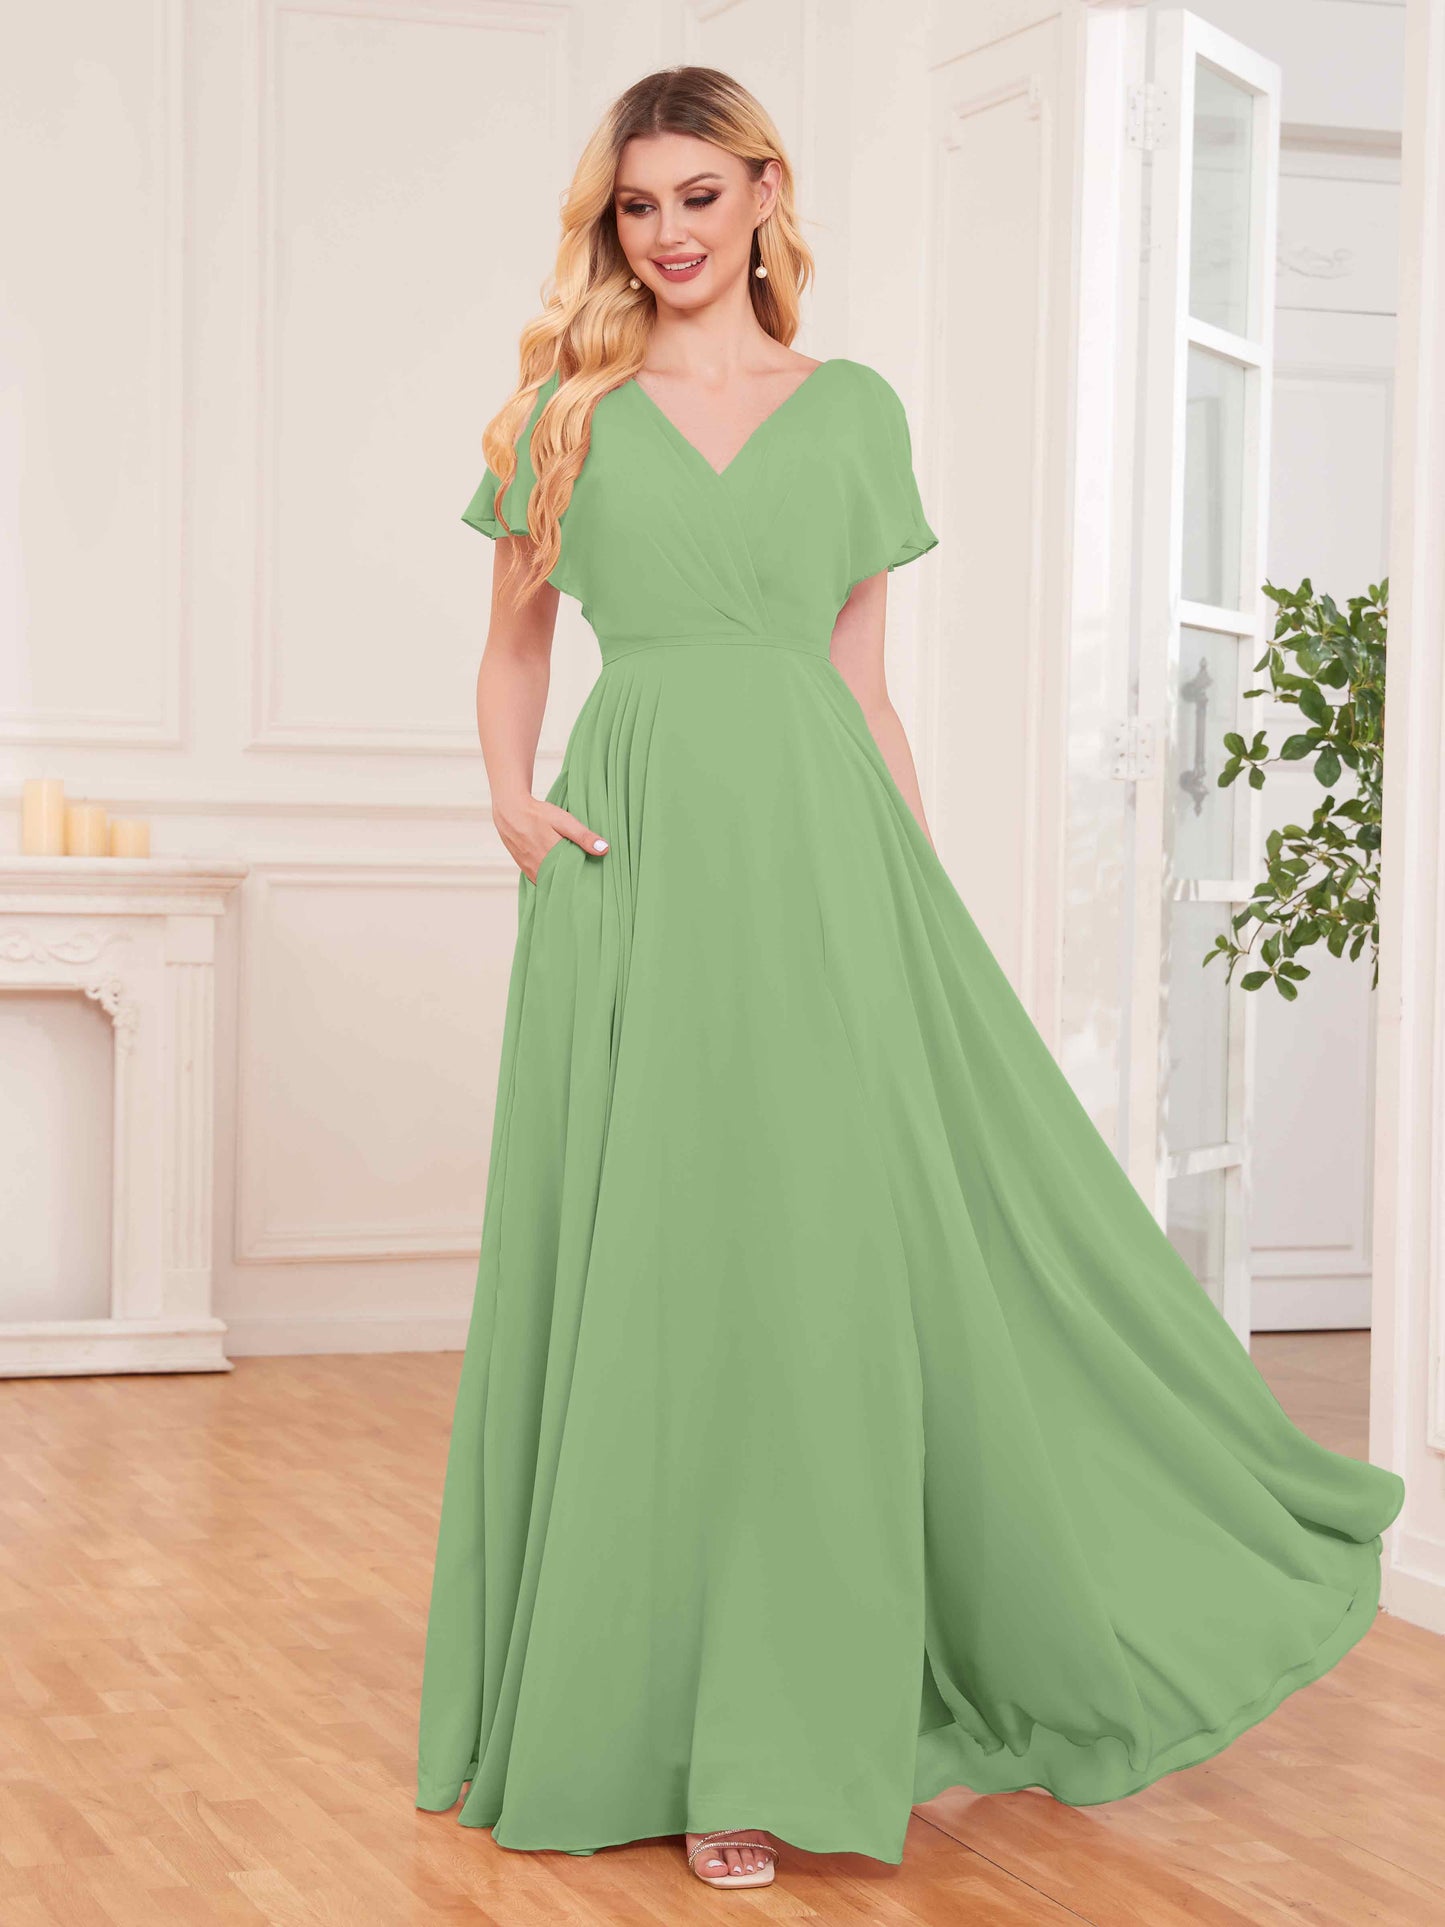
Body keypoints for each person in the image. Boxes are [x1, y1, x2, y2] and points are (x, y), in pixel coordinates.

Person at [415, 63, 1406, 1893]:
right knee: (666, 1279)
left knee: (819, 1284)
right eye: (638, 205)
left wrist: (912, 901)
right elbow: (513, 647)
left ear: (761, 194)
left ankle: (787, 1724)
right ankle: (650, 1719)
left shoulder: (852, 410)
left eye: (699, 195)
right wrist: (509, 806)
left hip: (824, 865)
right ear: (611, 223)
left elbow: (859, 685)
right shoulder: (561, 416)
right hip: (632, 866)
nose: (669, 233)